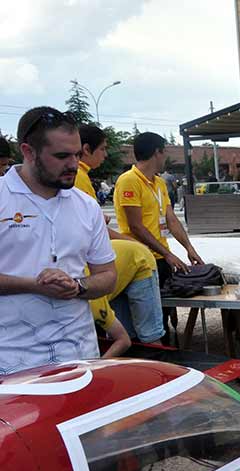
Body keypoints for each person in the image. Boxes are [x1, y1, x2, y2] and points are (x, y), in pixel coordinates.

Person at [0, 107, 116, 374]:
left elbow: (108, 274)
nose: (74, 164)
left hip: (79, 356)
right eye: (62, 156)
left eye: (77, 154)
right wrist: (34, 285)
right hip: (11, 363)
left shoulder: (86, 206)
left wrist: (76, 286)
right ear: (28, 152)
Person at [76, 124, 164, 344]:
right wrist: (140, 246)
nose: (106, 155)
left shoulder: (159, 182)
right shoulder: (78, 175)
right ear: (86, 149)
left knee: (125, 335)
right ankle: (155, 349)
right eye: (103, 149)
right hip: (131, 259)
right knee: (146, 333)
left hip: (125, 260)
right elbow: (133, 226)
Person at [114, 132, 204, 286]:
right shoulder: (129, 180)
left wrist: (189, 248)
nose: (165, 158)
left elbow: (171, 219)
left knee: (168, 307)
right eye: (164, 153)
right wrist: (167, 254)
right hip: (141, 257)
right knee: (150, 308)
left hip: (161, 255)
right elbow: (136, 226)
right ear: (157, 152)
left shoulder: (160, 183)